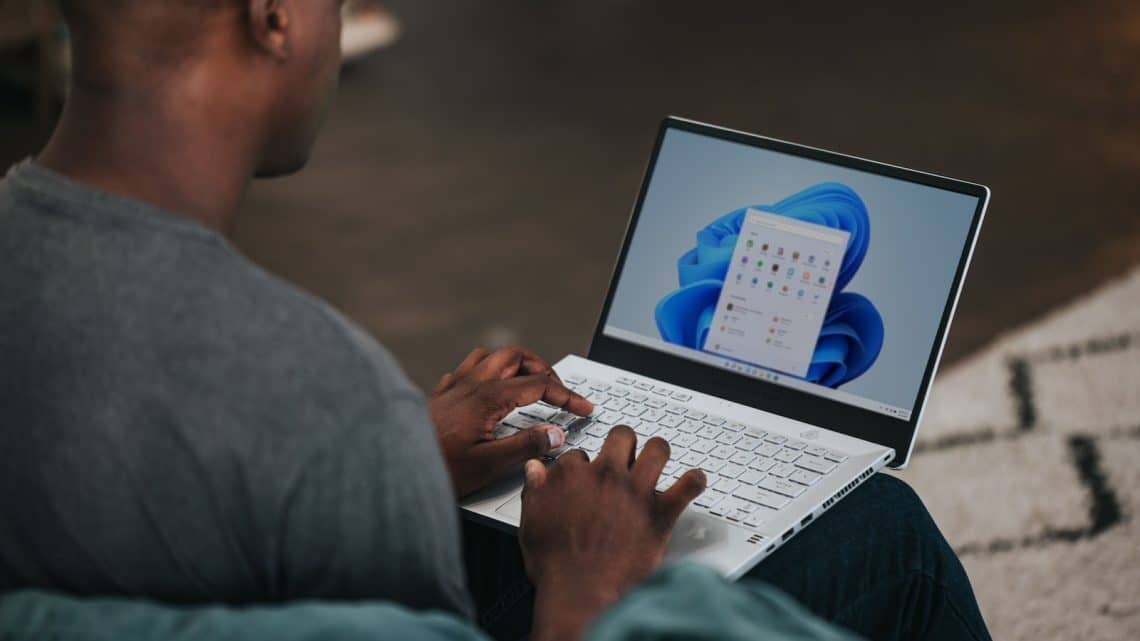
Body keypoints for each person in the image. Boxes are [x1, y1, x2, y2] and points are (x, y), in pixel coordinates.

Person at [0, 2, 993, 640]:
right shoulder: (311, 386)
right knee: (885, 533)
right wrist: (583, 582)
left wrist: (409, 454)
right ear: (272, 16)